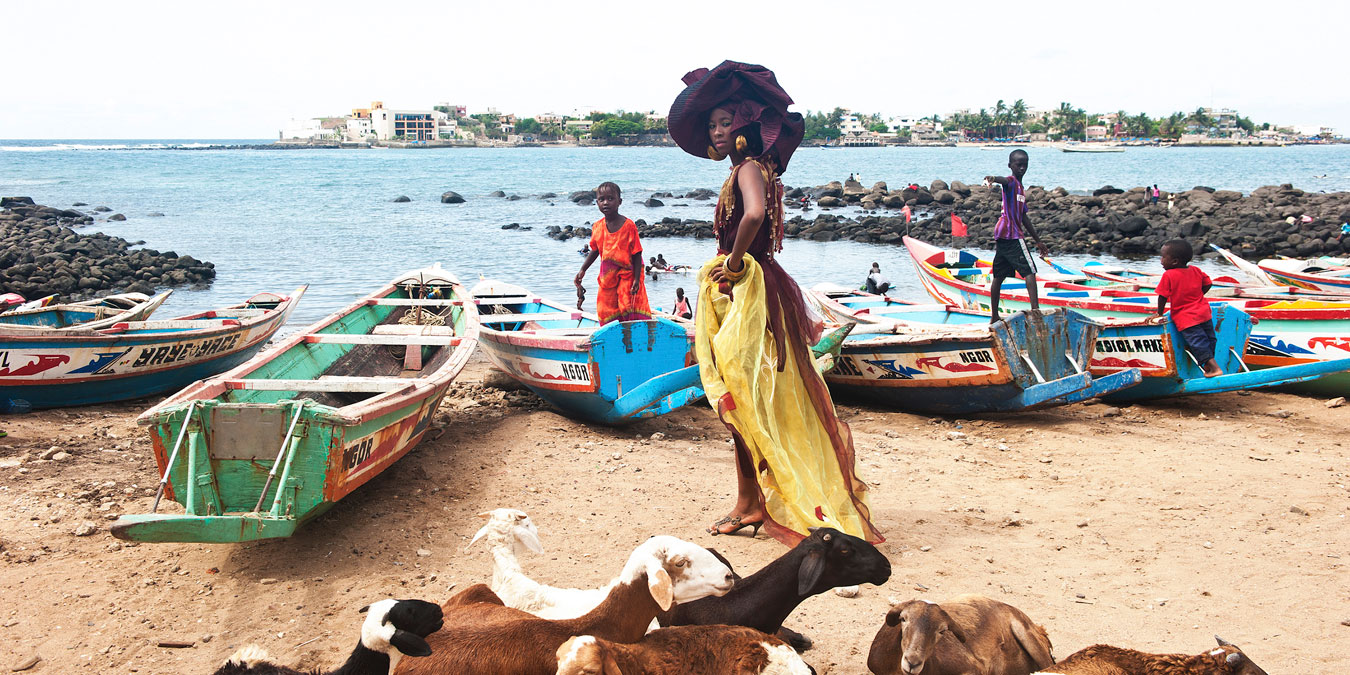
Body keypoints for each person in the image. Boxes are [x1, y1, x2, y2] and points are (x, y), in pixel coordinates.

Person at [668, 60, 880, 546]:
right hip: (754, 291)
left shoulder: (747, 168)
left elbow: (756, 214)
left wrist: (736, 261)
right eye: (713, 125)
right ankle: (752, 501)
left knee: (741, 400)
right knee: (746, 401)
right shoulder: (757, 167)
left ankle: (750, 505)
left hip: (749, 293)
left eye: (725, 123)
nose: (717, 131)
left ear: (744, 127)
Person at [984, 149, 1049, 324]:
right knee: (1030, 271)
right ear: (1010, 165)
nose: (1021, 167)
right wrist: (993, 178)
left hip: (1003, 235)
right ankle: (1036, 313)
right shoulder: (1012, 182)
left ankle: (994, 316)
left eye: (1024, 164)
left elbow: (1024, 217)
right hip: (1011, 234)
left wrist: (1038, 241)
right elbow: (1003, 180)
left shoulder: (1021, 189)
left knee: (999, 276)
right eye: (1018, 164)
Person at [574, 182, 652, 324]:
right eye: (601, 199)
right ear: (596, 202)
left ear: (619, 202)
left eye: (610, 199)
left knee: (628, 306)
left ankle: (633, 337)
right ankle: (612, 337)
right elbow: (595, 250)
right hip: (608, 276)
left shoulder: (628, 226)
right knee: (605, 309)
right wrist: (582, 270)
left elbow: (637, 253)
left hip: (628, 273)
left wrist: (636, 279)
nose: (606, 203)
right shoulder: (597, 226)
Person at [1154, 239, 1222, 377]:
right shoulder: (1196, 270)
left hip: (1186, 317)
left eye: (1163, 257)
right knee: (1210, 339)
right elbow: (1208, 283)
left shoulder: (1169, 275)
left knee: (1197, 342)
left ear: (1174, 261)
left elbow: (1162, 296)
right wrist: (1198, 296)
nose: (1161, 261)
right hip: (1204, 312)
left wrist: (1159, 314)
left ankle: (1215, 369)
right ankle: (1209, 366)